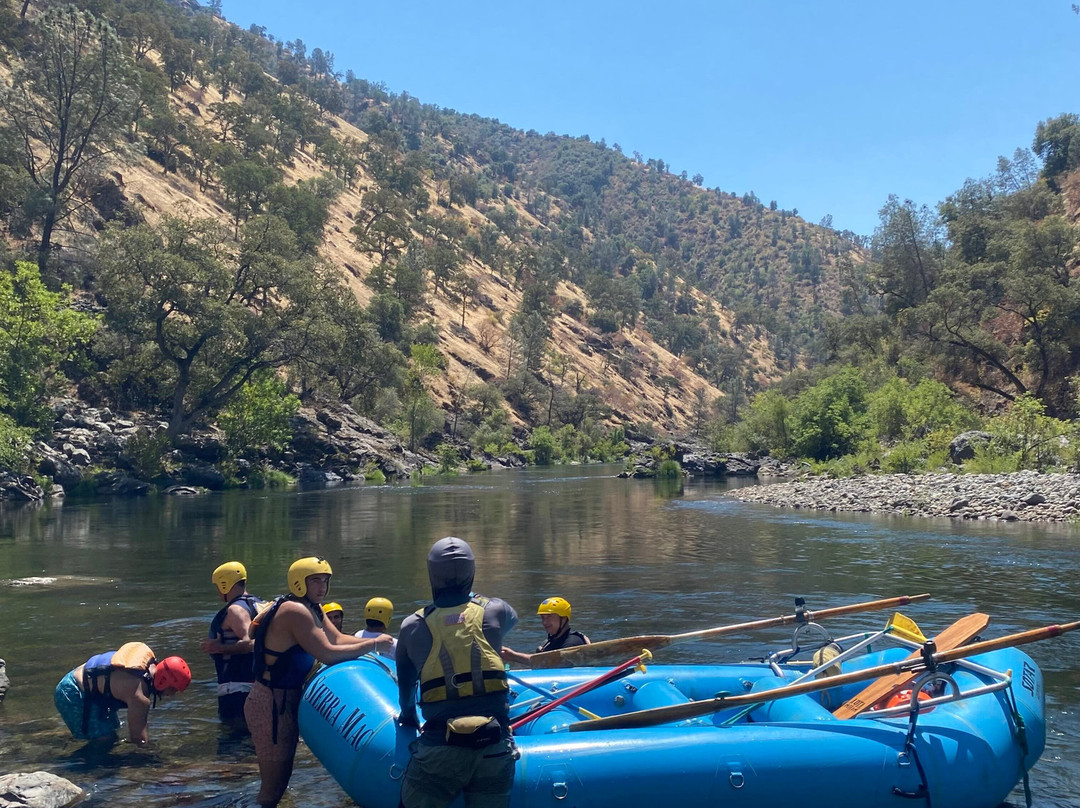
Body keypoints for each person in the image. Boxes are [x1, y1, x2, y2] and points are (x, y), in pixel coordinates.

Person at [246, 556, 393, 808]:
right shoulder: (295, 611)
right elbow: (326, 653)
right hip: (270, 704)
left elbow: (338, 639)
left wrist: (377, 643)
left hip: (285, 702)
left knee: (282, 783)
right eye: (315, 581)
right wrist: (373, 644)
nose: (321, 587)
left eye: (325, 581)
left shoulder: (313, 607)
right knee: (272, 790)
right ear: (299, 583)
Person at [396, 537, 519, 808]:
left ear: (432, 575)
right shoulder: (496, 611)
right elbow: (512, 620)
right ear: (471, 573)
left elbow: (406, 694)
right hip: (494, 746)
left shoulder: (411, 626)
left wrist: (407, 717)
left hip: (440, 748)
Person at [54, 642, 190, 746]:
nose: (171, 695)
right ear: (163, 681)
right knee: (104, 741)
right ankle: (76, 771)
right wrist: (152, 758)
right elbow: (139, 740)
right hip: (72, 693)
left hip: (85, 687)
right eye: (172, 690)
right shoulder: (139, 695)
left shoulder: (148, 665)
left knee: (114, 729)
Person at [202, 561, 262, 729]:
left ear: (224, 584)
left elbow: (250, 643)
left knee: (233, 745)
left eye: (217, 586)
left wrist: (219, 648)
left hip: (237, 689)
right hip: (257, 685)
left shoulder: (236, 610)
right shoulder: (259, 605)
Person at [501, 596, 589, 667]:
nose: (545, 622)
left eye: (549, 617)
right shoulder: (548, 643)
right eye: (543, 618)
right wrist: (510, 656)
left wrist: (514, 656)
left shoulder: (573, 642)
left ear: (564, 619)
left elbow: (553, 665)